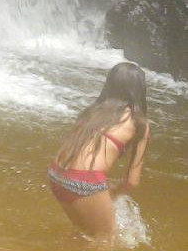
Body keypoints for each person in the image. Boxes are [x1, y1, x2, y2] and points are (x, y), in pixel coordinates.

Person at [48, 61, 151, 245]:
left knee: (85, 234)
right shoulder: (139, 122)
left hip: (56, 173)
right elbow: (132, 182)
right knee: (106, 241)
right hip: (83, 181)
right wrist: (112, 193)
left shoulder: (91, 111)